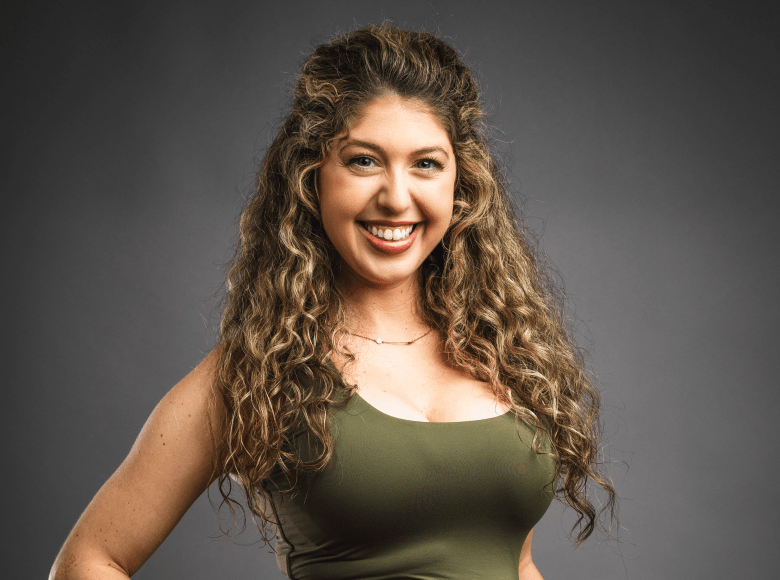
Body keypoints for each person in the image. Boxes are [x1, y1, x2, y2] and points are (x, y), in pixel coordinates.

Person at [50, 23, 616, 580]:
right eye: (364, 160)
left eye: (426, 163)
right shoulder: (262, 370)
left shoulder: (505, 352)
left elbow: (514, 563)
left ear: (460, 183)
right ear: (310, 175)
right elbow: (88, 561)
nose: (397, 198)